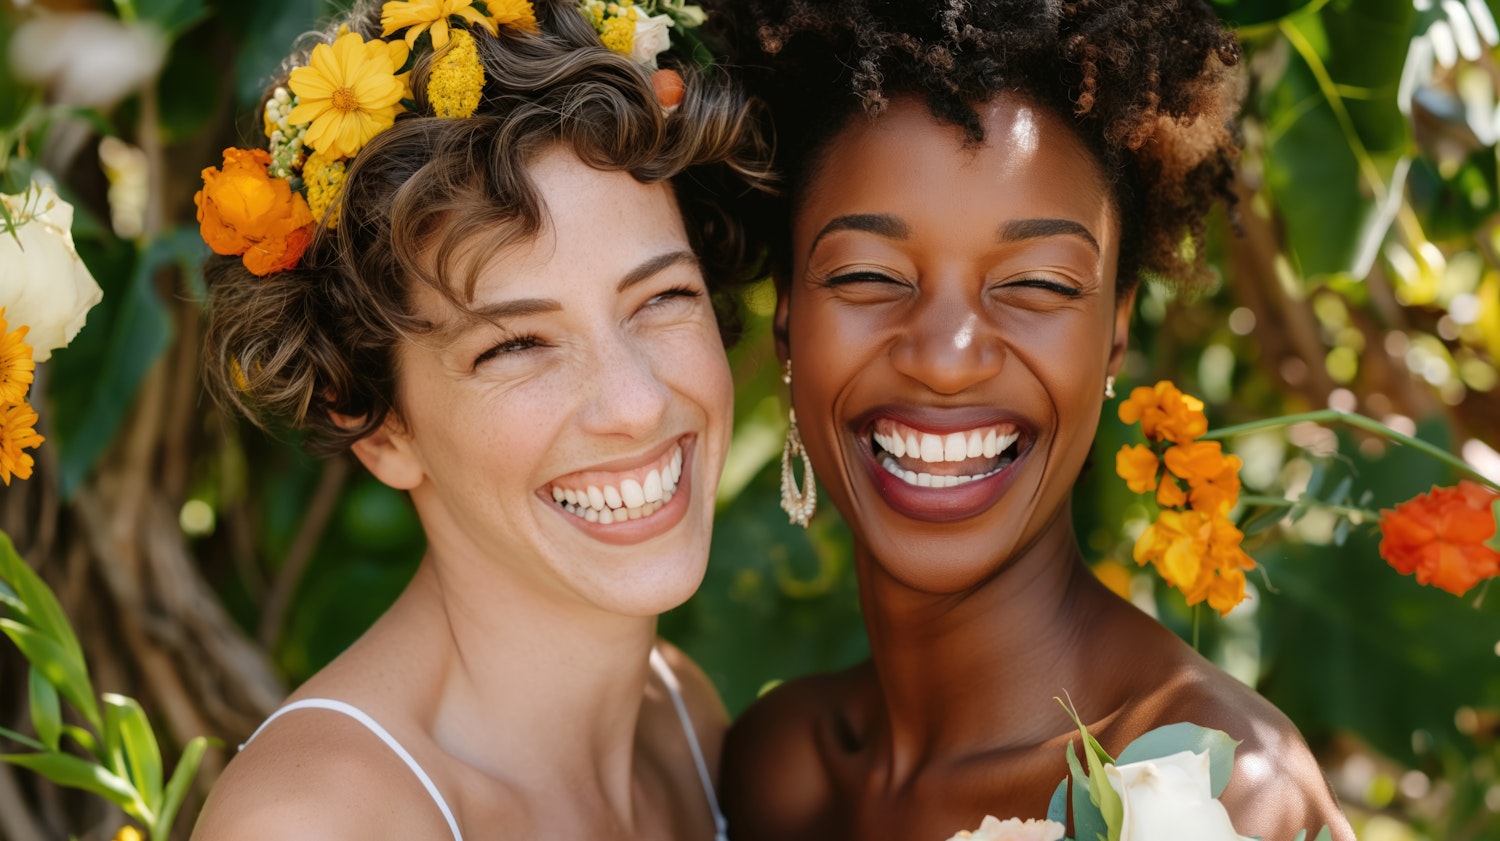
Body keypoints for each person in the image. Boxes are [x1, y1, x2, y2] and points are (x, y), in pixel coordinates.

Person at [704, 1, 1356, 839]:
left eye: (1039, 284)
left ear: (1116, 331)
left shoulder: (1212, 793)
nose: (945, 356)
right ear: (788, 316)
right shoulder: (775, 764)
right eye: (868, 274)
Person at [190, 0, 770, 837]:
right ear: (381, 423)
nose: (638, 402)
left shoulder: (680, 716)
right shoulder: (316, 821)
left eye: (663, 299)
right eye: (517, 345)